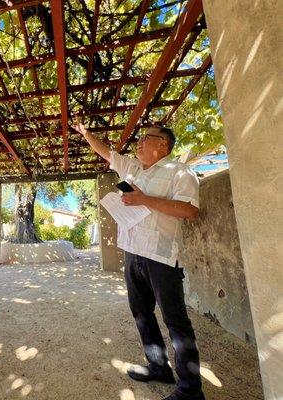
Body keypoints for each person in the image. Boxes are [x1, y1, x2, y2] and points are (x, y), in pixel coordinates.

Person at [74, 122, 205, 400]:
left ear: (163, 145)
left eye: (147, 138)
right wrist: (86, 134)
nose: (140, 141)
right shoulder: (131, 167)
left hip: (162, 257)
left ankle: (191, 389)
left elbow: (189, 210)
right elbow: (107, 153)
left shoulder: (180, 172)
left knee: (175, 321)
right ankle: (158, 367)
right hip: (133, 252)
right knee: (141, 313)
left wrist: (144, 199)